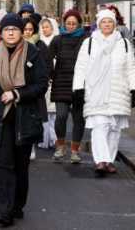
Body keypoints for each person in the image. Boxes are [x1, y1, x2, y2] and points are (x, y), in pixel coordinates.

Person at [0, 13, 48, 227]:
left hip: (24, 117)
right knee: (2, 166)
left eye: (15, 29)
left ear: (21, 31)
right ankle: (4, 211)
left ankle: (17, 206)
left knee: (20, 166)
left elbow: (42, 84)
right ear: (1, 33)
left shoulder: (32, 53)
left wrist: (18, 94)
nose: (11, 32)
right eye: (7, 30)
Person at [72, 9, 135, 176]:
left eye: (110, 22)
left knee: (114, 129)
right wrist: (78, 88)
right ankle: (100, 161)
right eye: (104, 22)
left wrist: (133, 88)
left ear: (115, 24)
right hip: (95, 92)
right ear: (98, 24)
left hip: (118, 92)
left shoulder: (125, 45)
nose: (107, 25)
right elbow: (81, 67)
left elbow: (131, 69)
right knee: (100, 126)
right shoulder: (89, 43)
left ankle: (109, 161)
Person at [49, 9, 87, 164]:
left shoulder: (86, 39)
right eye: (68, 23)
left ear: (79, 24)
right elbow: (47, 58)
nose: (71, 26)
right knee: (61, 116)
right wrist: (51, 75)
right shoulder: (58, 40)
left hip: (80, 84)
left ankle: (75, 151)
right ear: (64, 24)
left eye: (74, 23)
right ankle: (60, 147)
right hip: (61, 83)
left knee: (78, 118)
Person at [22, 17, 51, 160]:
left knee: (33, 118)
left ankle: (32, 146)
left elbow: (46, 66)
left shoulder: (40, 45)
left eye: (30, 29)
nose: (27, 32)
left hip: (34, 87)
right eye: (25, 29)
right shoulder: (15, 44)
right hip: (20, 86)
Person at [38, 18, 60, 149]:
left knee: (54, 112)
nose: (45, 29)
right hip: (43, 79)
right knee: (44, 111)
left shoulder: (57, 41)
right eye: (43, 27)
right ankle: (44, 138)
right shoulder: (40, 43)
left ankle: (54, 138)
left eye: (47, 27)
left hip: (55, 80)